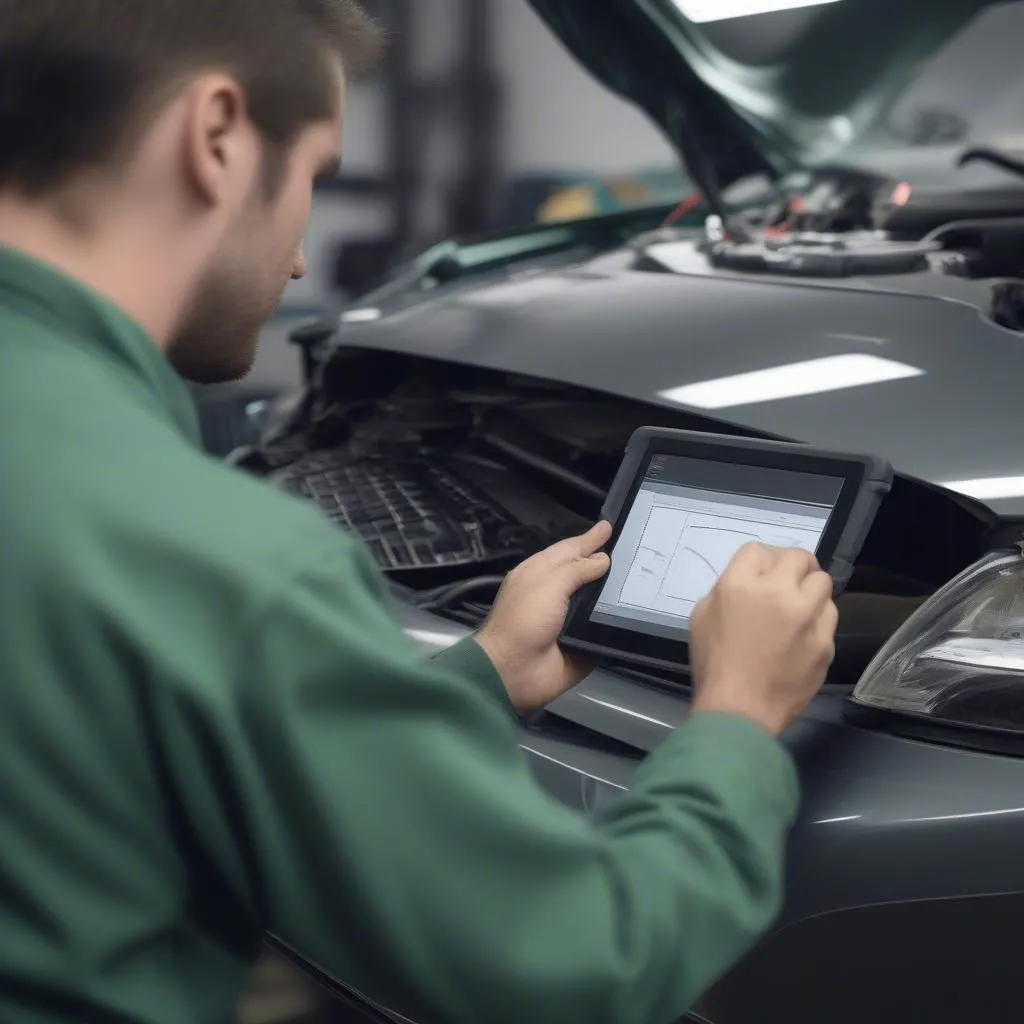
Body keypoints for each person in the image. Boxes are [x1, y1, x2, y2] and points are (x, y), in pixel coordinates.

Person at [0, 3, 839, 1023]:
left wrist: (480, 682)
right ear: (215, 136)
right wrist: (738, 716)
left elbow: (127, 751)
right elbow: (582, 964)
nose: (301, 259)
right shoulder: (218, 559)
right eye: (312, 174)